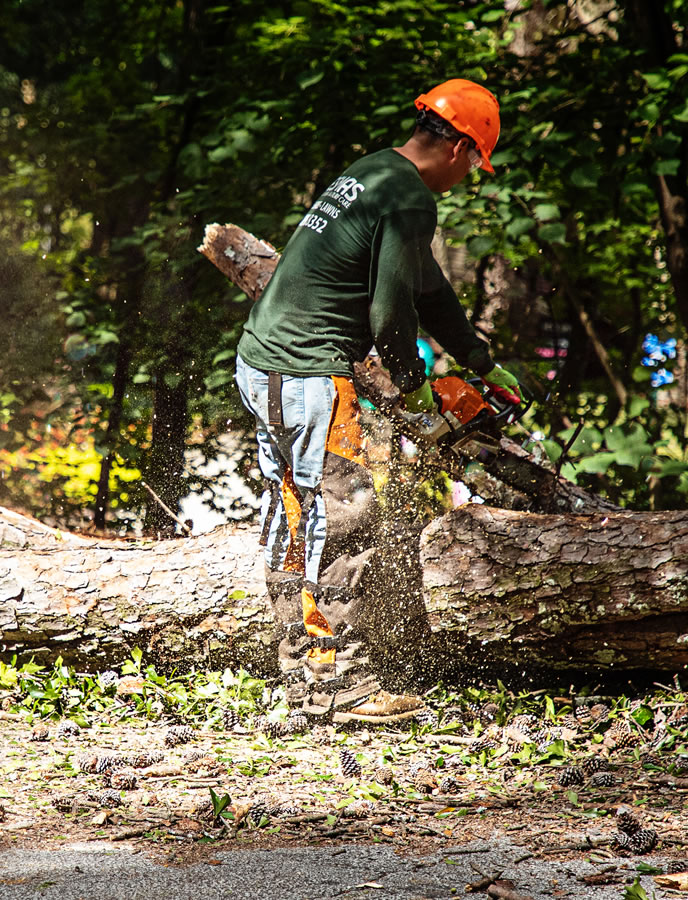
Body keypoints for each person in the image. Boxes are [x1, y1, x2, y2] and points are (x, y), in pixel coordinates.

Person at [233, 78, 523, 724]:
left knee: (303, 516)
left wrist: (477, 360)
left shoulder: (374, 172)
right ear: (461, 153)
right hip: (305, 372)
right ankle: (342, 685)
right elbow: (391, 313)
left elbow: (425, 286)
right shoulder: (412, 198)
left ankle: (305, 671)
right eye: (474, 167)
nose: (467, 179)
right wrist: (417, 392)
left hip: (263, 362)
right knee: (345, 514)